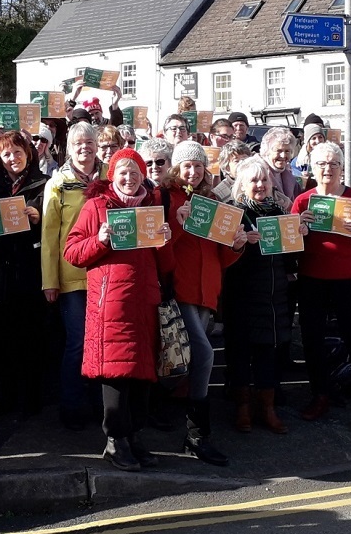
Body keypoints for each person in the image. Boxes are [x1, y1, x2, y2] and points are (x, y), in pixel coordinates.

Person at [63, 149, 174, 471]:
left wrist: (165, 241)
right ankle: (115, 441)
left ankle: (134, 436)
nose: (129, 178)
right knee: (116, 372)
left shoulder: (152, 209)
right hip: (110, 301)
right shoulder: (96, 206)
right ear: (112, 175)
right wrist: (99, 239)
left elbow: (166, 266)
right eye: (123, 172)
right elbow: (72, 252)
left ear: (143, 176)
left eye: (135, 172)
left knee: (142, 374)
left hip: (144, 302)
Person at [292, 142, 351, 430]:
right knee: (312, 341)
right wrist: (299, 230)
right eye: (321, 164)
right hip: (312, 278)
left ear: (342, 168)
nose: (327, 169)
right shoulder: (304, 200)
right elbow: (290, 245)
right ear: (312, 168)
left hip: (347, 279)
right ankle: (321, 394)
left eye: (333, 164)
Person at [166, 141, 245, 464]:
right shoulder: (167, 199)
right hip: (181, 289)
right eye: (187, 165)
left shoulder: (212, 201)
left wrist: (237, 245)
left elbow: (220, 255)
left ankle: (190, 428)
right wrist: (179, 225)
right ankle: (198, 435)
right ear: (176, 168)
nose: (193, 171)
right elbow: (162, 245)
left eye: (199, 166)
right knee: (203, 353)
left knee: (192, 358)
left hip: (207, 292)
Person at [0, 129, 50, 412]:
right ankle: (6, 396)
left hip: (31, 271)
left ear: (28, 153)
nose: (12, 158)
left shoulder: (44, 185)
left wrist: (40, 217)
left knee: (32, 335)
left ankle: (31, 396)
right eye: (6, 154)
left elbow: (54, 228)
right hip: (1, 273)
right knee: (3, 335)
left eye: (18, 152)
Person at [222, 157, 295, 434]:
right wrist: (240, 244)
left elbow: (291, 261)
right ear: (242, 184)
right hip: (241, 295)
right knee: (240, 351)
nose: (260, 185)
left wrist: (299, 234)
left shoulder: (279, 212)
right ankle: (242, 408)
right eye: (253, 180)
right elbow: (223, 258)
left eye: (264, 180)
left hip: (273, 296)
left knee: (268, 353)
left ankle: (267, 408)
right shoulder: (234, 214)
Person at [41, 122, 103, 430]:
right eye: (78, 142)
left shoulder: (108, 178)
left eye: (89, 142)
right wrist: (49, 280)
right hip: (71, 275)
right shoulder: (58, 182)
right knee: (77, 342)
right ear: (69, 148)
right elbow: (50, 235)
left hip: (104, 273)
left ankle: (100, 403)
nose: (84, 147)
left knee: (101, 342)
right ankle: (71, 405)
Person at [260, 127, 300, 202]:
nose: (283, 155)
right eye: (278, 151)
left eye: (287, 151)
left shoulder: (288, 173)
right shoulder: (257, 172)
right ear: (266, 151)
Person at [291, 118, 328, 187]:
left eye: (320, 137)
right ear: (308, 142)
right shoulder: (298, 161)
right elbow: (293, 177)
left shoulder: (330, 157)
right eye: (313, 138)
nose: (317, 141)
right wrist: (301, 176)